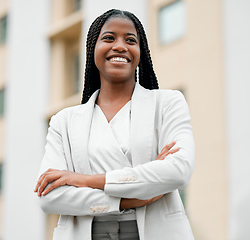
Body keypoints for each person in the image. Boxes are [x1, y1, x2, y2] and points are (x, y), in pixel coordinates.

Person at [34, 9, 195, 240]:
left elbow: (178, 170)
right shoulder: (64, 122)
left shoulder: (167, 104)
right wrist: (128, 199)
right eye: (109, 38)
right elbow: (49, 196)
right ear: (92, 49)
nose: (120, 46)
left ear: (141, 52)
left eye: (130, 40)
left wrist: (84, 180)